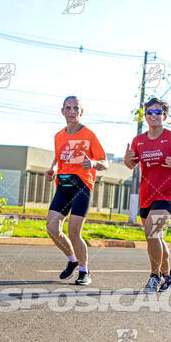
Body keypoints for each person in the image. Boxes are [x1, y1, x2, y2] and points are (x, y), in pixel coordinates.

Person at [124, 97, 171, 293]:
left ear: (165, 115)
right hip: (146, 195)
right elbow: (132, 164)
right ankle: (169, 274)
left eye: (158, 112)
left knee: (152, 231)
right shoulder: (138, 140)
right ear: (145, 116)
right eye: (150, 112)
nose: (153, 115)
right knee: (155, 237)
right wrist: (126, 160)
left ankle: (155, 276)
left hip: (166, 195)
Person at [45, 96, 108, 285]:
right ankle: (72, 260)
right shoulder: (58, 136)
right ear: (62, 111)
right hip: (63, 185)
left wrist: (94, 163)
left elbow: (105, 162)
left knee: (74, 231)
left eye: (75, 108)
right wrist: (52, 171)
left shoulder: (89, 135)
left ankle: (84, 271)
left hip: (82, 186)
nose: (72, 111)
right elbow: (58, 159)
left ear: (81, 112)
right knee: (52, 228)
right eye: (68, 108)